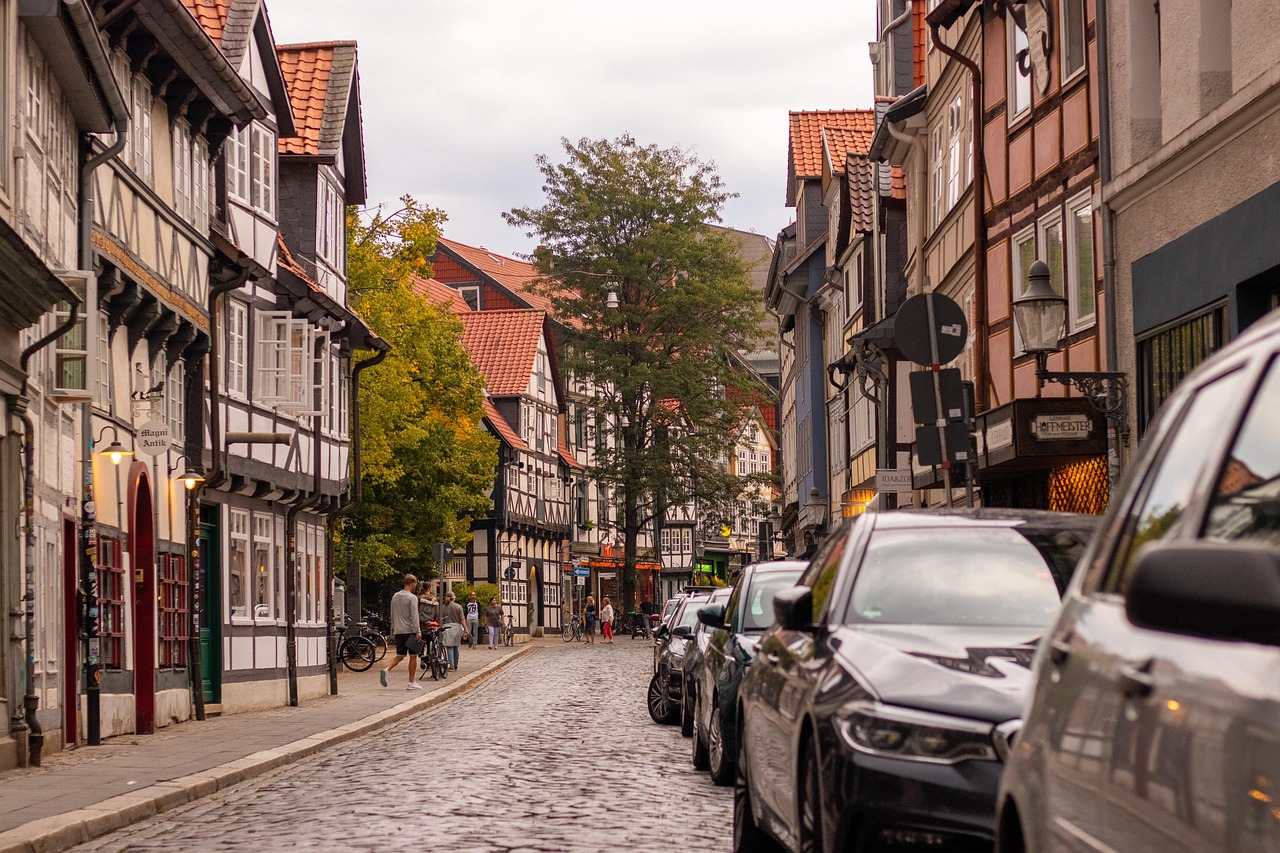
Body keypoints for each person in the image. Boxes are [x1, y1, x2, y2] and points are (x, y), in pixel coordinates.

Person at [380, 574, 422, 689]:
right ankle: (411, 682)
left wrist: (393, 628)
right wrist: (418, 631)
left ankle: (387, 669)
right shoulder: (412, 597)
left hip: (399, 630)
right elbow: (414, 615)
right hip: (410, 630)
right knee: (413, 656)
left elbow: (392, 613)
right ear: (413, 583)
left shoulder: (395, 596)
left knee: (400, 654)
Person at [439, 591, 465, 670]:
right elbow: (462, 619)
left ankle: (451, 665)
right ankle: (456, 664)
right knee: (456, 646)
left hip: (446, 627)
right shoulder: (458, 607)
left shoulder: (443, 607)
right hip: (456, 627)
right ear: (454, 597)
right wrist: (466, 629)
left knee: (449, 647)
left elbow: (440, 619)